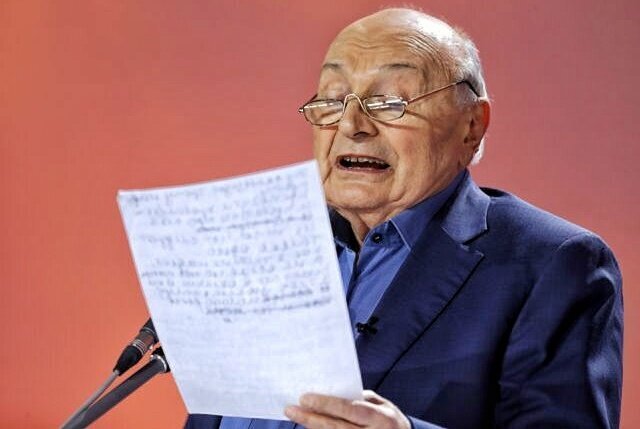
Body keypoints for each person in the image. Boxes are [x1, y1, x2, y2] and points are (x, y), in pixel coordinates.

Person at [186, 7, 623, 429]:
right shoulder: (262, 253)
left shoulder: (552, 265)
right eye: (333, 99)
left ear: (471, 125)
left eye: (388, 101)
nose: (351, 125)